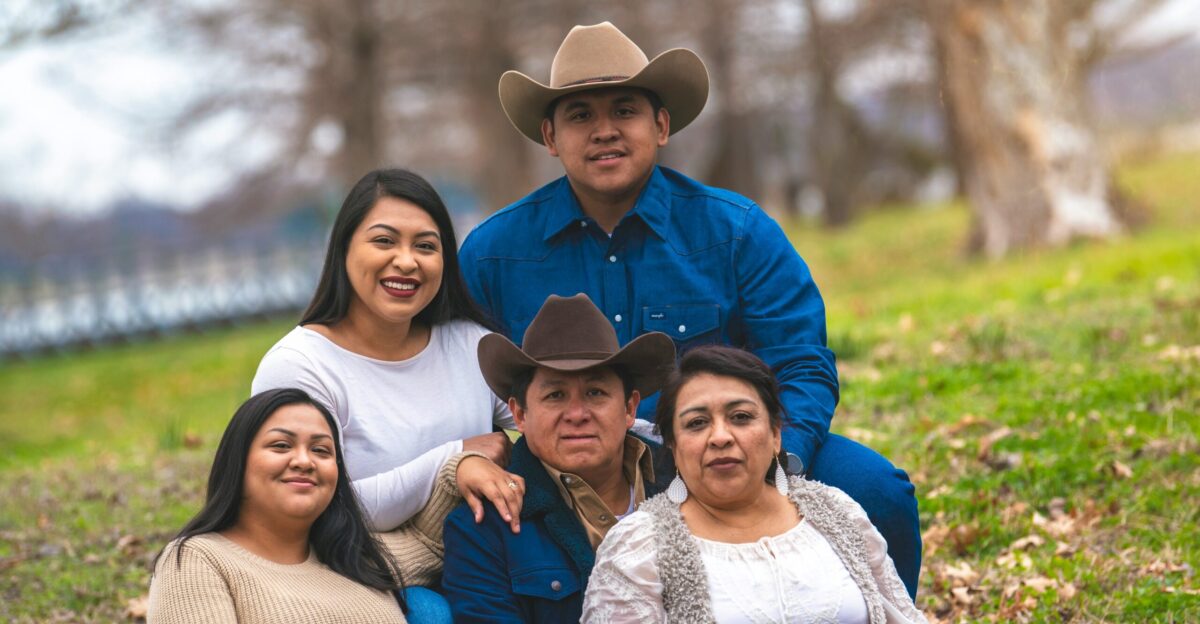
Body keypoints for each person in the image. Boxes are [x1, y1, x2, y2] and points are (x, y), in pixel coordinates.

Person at [458, 21, 921, 596]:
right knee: (475, 527)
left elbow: (800, 362)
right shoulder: (492, 253)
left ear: (661, 125)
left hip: (719, 450)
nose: (604, 131)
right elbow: (461, 381)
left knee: (877, 490)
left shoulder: (737, 231)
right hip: (569, 462)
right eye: (580, 116)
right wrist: (476, 453)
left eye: (624, 110)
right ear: (550, 136)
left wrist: (779, 463)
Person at [251, 169, 524, 620]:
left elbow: (558, 420)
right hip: (345, 577)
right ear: (342, 250)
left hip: (478, 566)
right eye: (384, 241)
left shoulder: (472, 345)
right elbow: (317, 505)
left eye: (426, 246)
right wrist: (454, 460)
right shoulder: (300, 366)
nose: (406, 261)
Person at [582, 346, 927, 623]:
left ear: (776, 434)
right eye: (697, 423)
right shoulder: (639, 547)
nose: (720, 437)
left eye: (741, 417)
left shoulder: (837, 514)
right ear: (672, 445)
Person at [441, 294, 677, 623]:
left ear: (629, 408)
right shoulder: (482, 530)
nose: (577, 414)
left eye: (595, 392)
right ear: (519, 414)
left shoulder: (688, 482)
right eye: (555, 395)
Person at [149, 388, 473, 623]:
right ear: (238, 461)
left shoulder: (352, 555)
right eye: (281, 445)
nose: (304, 461)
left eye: (321, 451)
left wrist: (459, 468)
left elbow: (429, 543)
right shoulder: (199, 560)